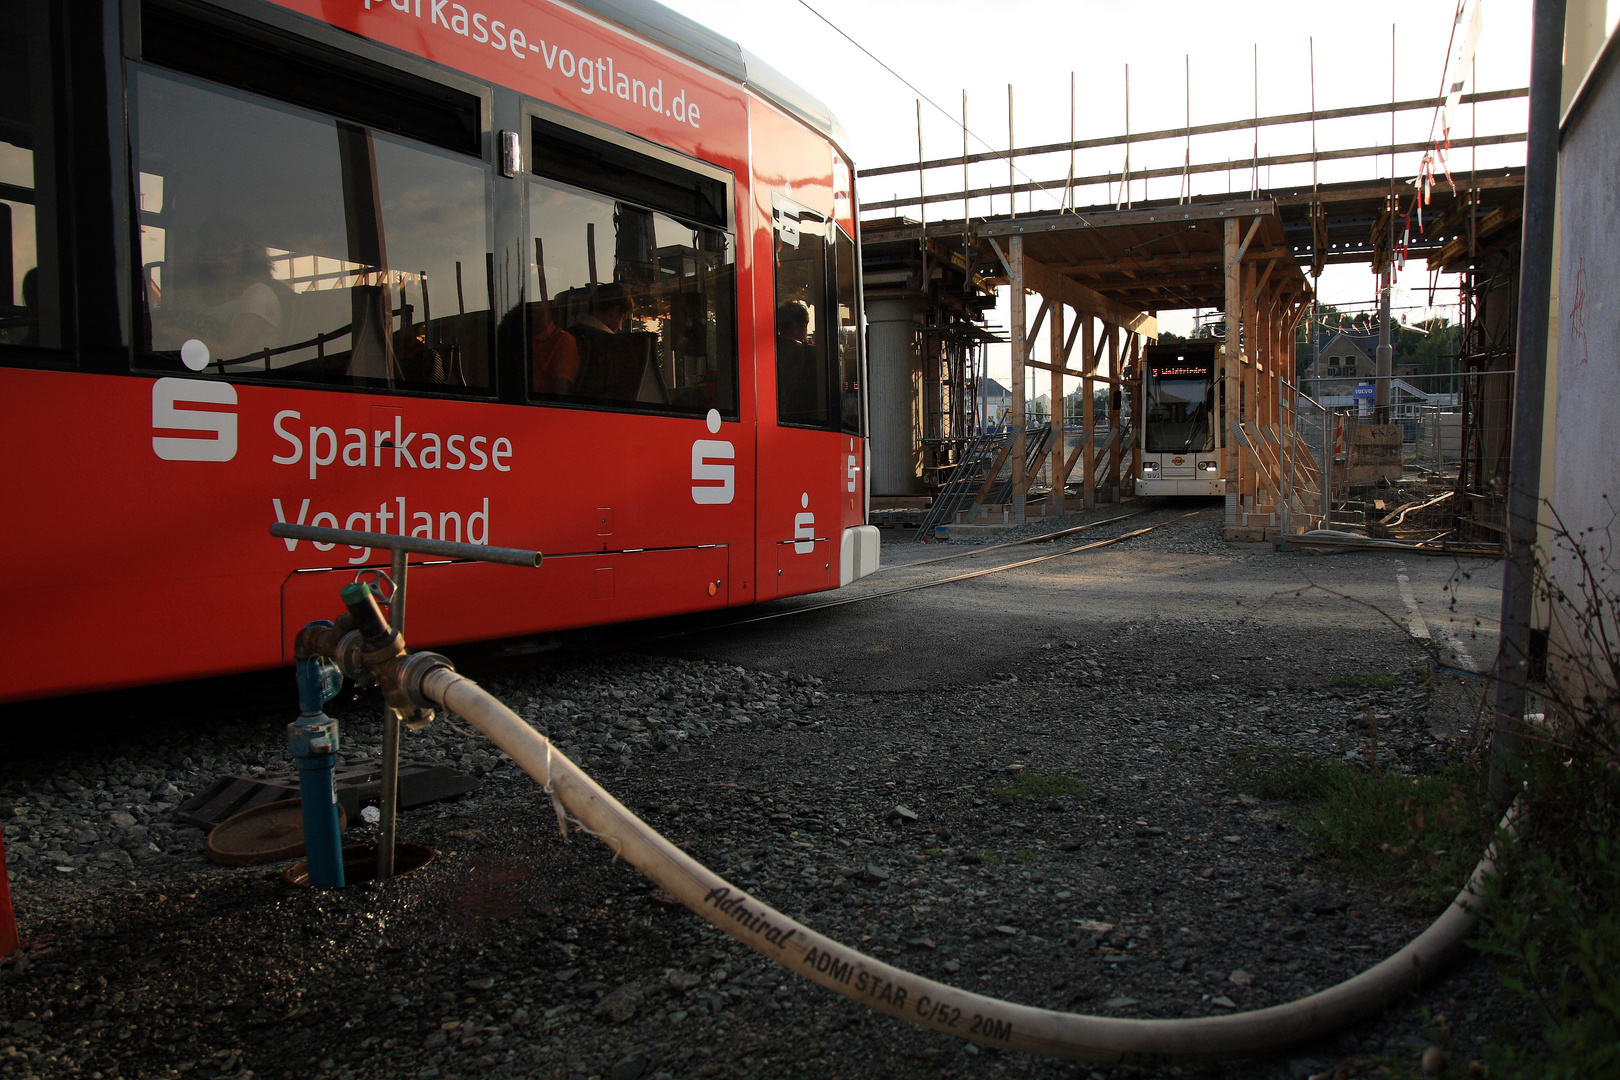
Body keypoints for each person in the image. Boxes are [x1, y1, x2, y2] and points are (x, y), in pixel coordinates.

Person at [150, 216, 286, 365]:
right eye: (210, 247)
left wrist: (165, 330)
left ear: (248, 253)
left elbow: (228, 354)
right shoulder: (199, 300)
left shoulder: (259, 294)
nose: (218, 253)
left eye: (228, 246)